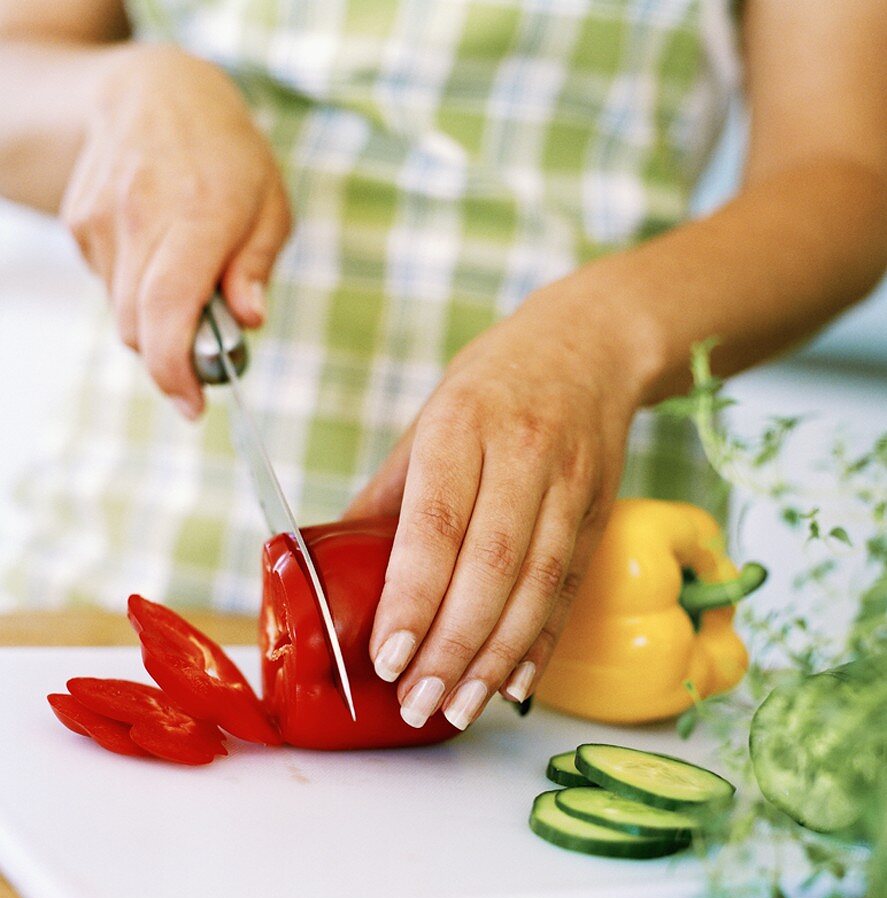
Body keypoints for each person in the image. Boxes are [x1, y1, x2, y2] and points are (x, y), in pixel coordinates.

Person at [0, 1, 885, 734]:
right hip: (127, 540)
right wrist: (126, 92)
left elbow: (846, 175)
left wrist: (594, 338)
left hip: (571, 596)